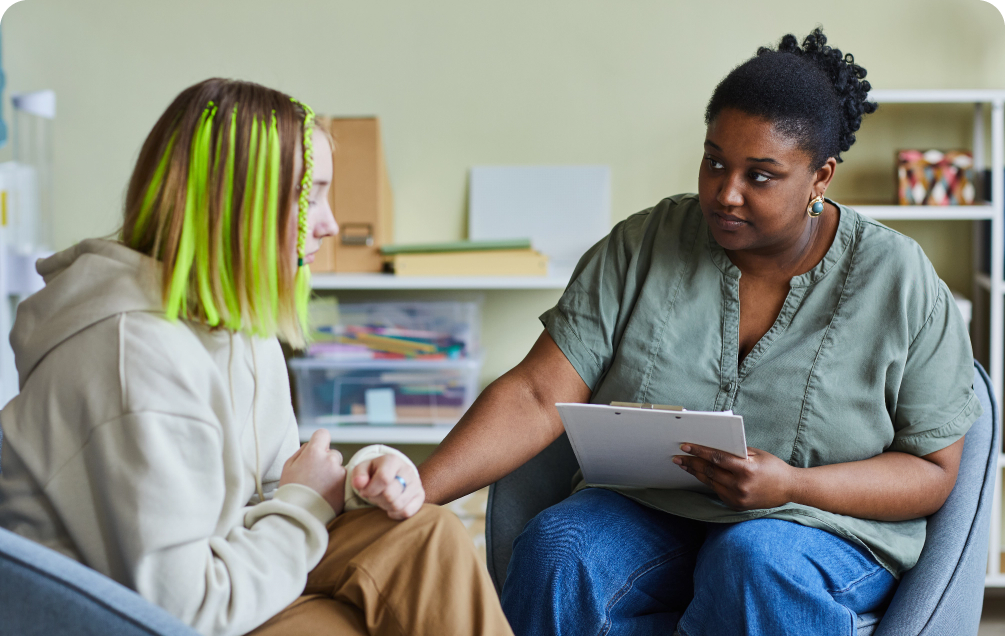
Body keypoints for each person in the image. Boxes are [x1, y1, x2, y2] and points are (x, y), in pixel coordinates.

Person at [418, 28, 981, 636]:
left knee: (754, 559)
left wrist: (792, 484)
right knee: (561, 548)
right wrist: (412, 491)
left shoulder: (898, 279)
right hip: (651, 511)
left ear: (820, 178)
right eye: (714, 161)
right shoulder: (642, 245)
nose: (725, 193)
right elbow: (535, 392)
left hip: (818, 526)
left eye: (760, 176)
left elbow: (933, 471)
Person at [0, 78, 513, 636]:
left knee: (429, 534)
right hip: (145, 618)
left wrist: (363, 482)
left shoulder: (238, 327)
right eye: (310, 196)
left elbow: (272, 491)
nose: (331, 224)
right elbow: (186, 611)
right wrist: (305, 501)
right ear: (244, 203)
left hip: (223, 578)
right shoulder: (132, 358)